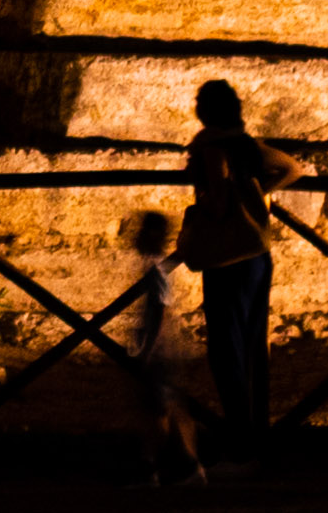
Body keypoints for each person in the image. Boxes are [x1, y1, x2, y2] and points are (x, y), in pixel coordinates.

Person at [182, 77, 291, 457]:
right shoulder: (248, 146)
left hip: (226, 258)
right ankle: (256, 431)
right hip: (257, 254)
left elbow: (216, 202)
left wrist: (201, 208)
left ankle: (240, 439)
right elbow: (292, 169)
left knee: (226, 349)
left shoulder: (212, 149)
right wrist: (258, 194)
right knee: (252, 344)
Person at [116, 206, 207, 483]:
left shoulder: (155, 269)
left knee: (158, 408)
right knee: (167, 406)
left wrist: (146, 350)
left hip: (159, 352)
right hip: (163, 350)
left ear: (152, 235)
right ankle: (180, 466)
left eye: (142, 231)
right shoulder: (158, 267)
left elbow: (159, 311)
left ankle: (159, 466)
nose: (136, 237)